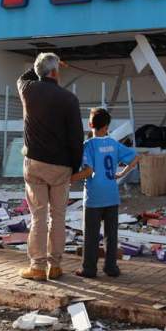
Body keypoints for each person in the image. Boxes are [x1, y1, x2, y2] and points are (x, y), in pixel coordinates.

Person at [16, 53, 84, 281]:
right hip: (61, 165)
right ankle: (54, 266)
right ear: (55, 73)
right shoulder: (69, 99)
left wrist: (45, 65)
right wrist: (75, 167)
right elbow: (76, 137)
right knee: (58, 216)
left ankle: (36, 266)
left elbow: (23, 77)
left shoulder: (28, 90)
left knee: (38, 216)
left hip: (34, 163)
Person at [71, 108, 140, 278]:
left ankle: (89, 269)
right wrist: (121, 174)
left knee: (91, 235)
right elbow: (136, 157)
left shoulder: (87, 146)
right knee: (111, 235)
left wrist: (69, 179)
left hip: (94, 197)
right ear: (107, 126)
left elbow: (88, 171)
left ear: (90, 124)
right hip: (111, 195)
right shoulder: (114, 144)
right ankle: (111, 268)